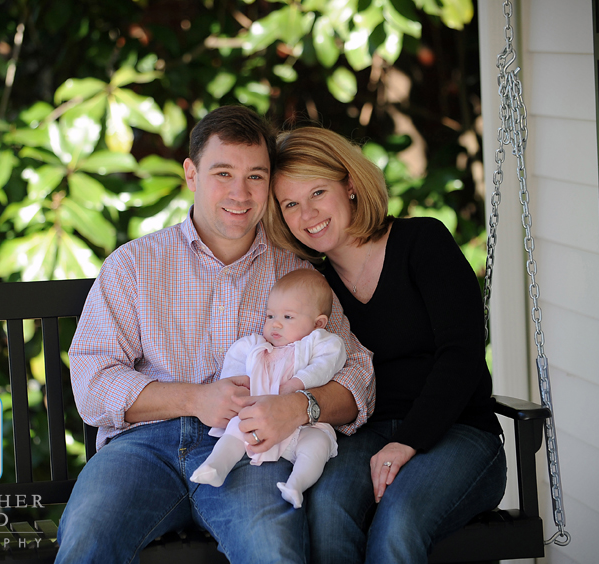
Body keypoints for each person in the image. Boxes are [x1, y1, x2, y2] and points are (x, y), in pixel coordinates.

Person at [57, 108, 374, 564]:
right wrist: (194, 399)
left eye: (256, 177)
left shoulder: (297, 275)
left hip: (250, 450)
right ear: (191, 173)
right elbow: (92, 381)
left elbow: (359, 372)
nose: (239, 194)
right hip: (143, 449)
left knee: (274, 552)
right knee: (87, 538)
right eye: (222, 173)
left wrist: (300, 405)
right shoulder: (133, 265)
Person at [266, 126, 507, 563]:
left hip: (459, 434)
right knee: (327, 512)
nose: (308, 213)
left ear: (351, 185)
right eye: (291, 204)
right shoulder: (314, 291)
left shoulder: (423, 242)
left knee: (399, 522)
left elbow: (463, 354)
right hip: (364, 437)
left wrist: (407, 441)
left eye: (318, 192)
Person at [191, 269, 346, 509]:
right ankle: (216, 466)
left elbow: (327, 363)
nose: (275, 323)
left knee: (318, 445)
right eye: (270, 315)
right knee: (235, 427)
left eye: (287, 317)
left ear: (318, 324)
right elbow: (235, 360)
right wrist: (237, 383)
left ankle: (296, 484)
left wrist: (298, 383)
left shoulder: (320, 343)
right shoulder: (256, 346)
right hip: (257, 418)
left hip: (304, 424)